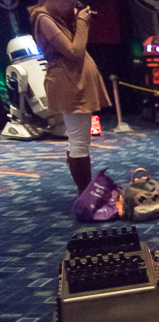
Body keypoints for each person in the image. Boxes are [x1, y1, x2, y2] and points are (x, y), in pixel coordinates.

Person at [29, 0, 110, 194]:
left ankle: (84, 192)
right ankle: (85, 194)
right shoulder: (44, 18)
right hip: (69, 84)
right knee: (79, 142)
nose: (73, 4)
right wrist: (82, 22)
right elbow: (75, 52)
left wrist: (77, 20)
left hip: (75, 82)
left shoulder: (59, 16)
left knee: (79, 141)